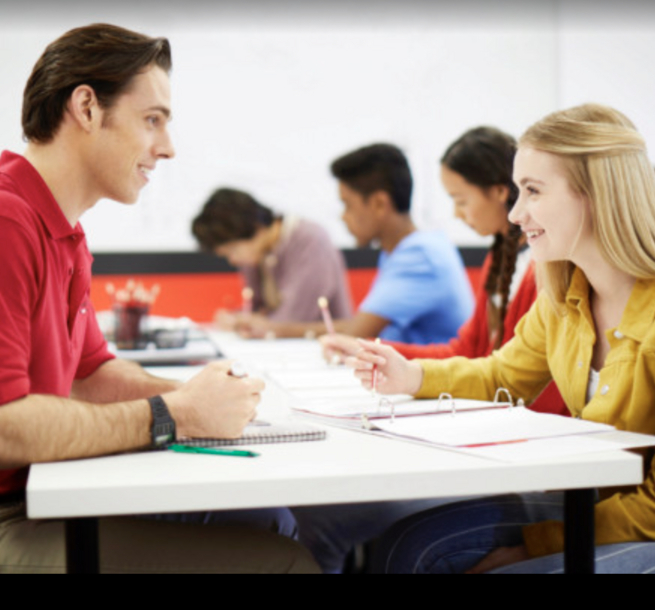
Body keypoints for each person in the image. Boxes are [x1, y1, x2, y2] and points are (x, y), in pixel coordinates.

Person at [0, 23, 318, 574]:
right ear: (87, 108)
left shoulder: (65, 231)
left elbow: (90, 374)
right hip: (12, 515)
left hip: (36, 494)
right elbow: (5, 426)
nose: (167, 148)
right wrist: (174, 414)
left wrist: (199, 397)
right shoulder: (8, 222)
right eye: (153, 120)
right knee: (284, 562)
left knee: (269, 519)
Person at [348, 103, 655, 574]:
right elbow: (501, 373)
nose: (514, 214)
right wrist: (409, 375)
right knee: (408, 545)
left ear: (596, 194)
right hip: (589, 500)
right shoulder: (563, 294)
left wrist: (538, 544)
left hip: (641, 521)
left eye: (532, 191)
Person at [321, 127, 567, 417]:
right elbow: (467, 351)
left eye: (461, 201)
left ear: (499, 192)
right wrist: (380, 353)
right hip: (494, 405)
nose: (456, 214)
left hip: (524, 418)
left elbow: (519, 378)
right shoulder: (499, 259)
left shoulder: (543, 268)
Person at [235, 143, 474, 344]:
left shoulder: (420, 256)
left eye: (347, 205)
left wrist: (273, 329)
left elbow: (356, 332)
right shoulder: (401, 251)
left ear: (379, 204)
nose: (343, 216)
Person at [191, 187, 352, 329]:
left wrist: (245, 322)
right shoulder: (257, 253)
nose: (233, 260)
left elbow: (292, 319)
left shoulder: (309, 239)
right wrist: (235, 317)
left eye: (232, 250)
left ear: (257, 228)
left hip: (326, 349)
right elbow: (259, 311)